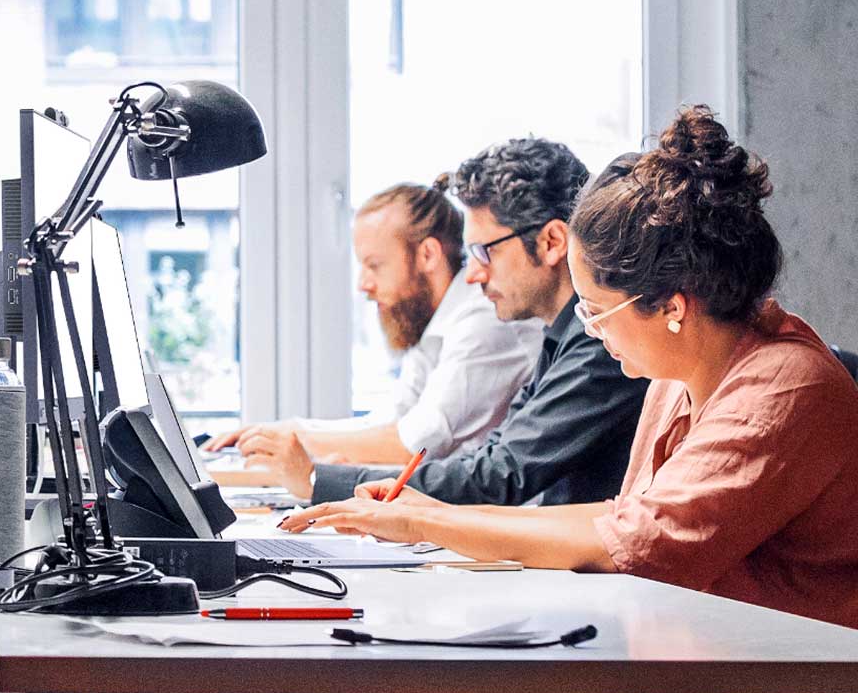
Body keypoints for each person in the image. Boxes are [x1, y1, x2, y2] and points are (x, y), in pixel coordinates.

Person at [282, 107, 858, 693]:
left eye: (596, 311)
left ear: (672, 306)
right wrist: (435, 515)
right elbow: (632, 517)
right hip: (688, 680)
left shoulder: (783, 386)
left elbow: (637, 547)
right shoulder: (687, 373)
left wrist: (434, 527)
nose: (590, 331)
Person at [245, 137, 649, 505]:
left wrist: (323, 482)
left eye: (485, 252)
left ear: (551, 242)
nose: (472, 274)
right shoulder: (561, 335)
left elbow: (499, 477)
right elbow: (493, 458)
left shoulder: (602, 341)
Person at [208, 183, 541, 484]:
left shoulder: (485, 319)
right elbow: (394, 419)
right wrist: (283, 432)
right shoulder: (434, 325)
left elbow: (413, 444)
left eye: (374, 265)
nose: (363, 285)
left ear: (428, 254)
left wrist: (295, 440)